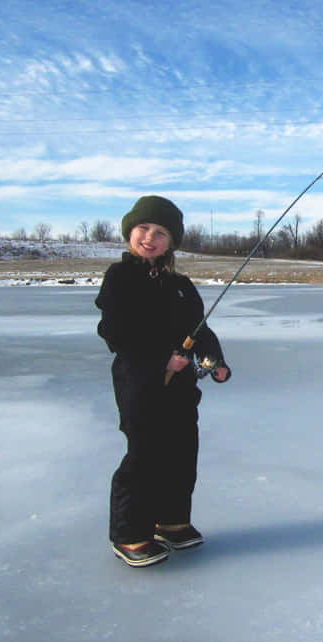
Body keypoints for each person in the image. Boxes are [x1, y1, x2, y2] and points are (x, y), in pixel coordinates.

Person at [95, 195, 230, 567]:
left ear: (171, 241)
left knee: (182, 452)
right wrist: (160, 359)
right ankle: (129, 533)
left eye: (160, 232)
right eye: (143, 229)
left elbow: (199, 330)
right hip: (139, 382)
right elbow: (114, 331)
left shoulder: (181, 284)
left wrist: (214, 360)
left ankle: (171, 522)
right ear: (129, 233)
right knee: (145, 455)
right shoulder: (120, 278)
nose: (150, 237)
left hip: (182, 386)